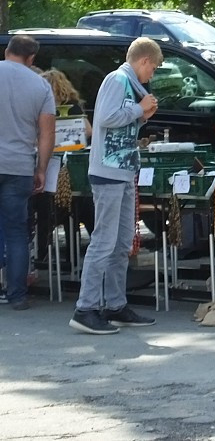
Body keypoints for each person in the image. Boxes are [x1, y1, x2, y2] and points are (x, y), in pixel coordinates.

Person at [68, 37, 159, 334]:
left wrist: (142, 116)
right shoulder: (118, 80)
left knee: (121, 244)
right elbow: (105, 118)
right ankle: (86, 308)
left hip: (122, 171)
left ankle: (115, 305)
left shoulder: (130, 84)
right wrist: (139, 109)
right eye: (154, 68)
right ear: (144, 61)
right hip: (108, 172)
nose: (153, 75)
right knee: (104, 242)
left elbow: (121, 124)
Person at [0, 35, 55, 311]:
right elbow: (47, 134)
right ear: (31, 58)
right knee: (16, 232)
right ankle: (17, 294)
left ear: (7, 51)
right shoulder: (41, 86)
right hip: (19, 166)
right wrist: (41, 169)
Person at [33, 69, 90, 264]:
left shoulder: (42, 108)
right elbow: (88, 131)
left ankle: (42, 255)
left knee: (44, 212)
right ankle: (72, 257)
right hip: (72, 166)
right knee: (72, 211)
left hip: (50, 165)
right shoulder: (73, 106)